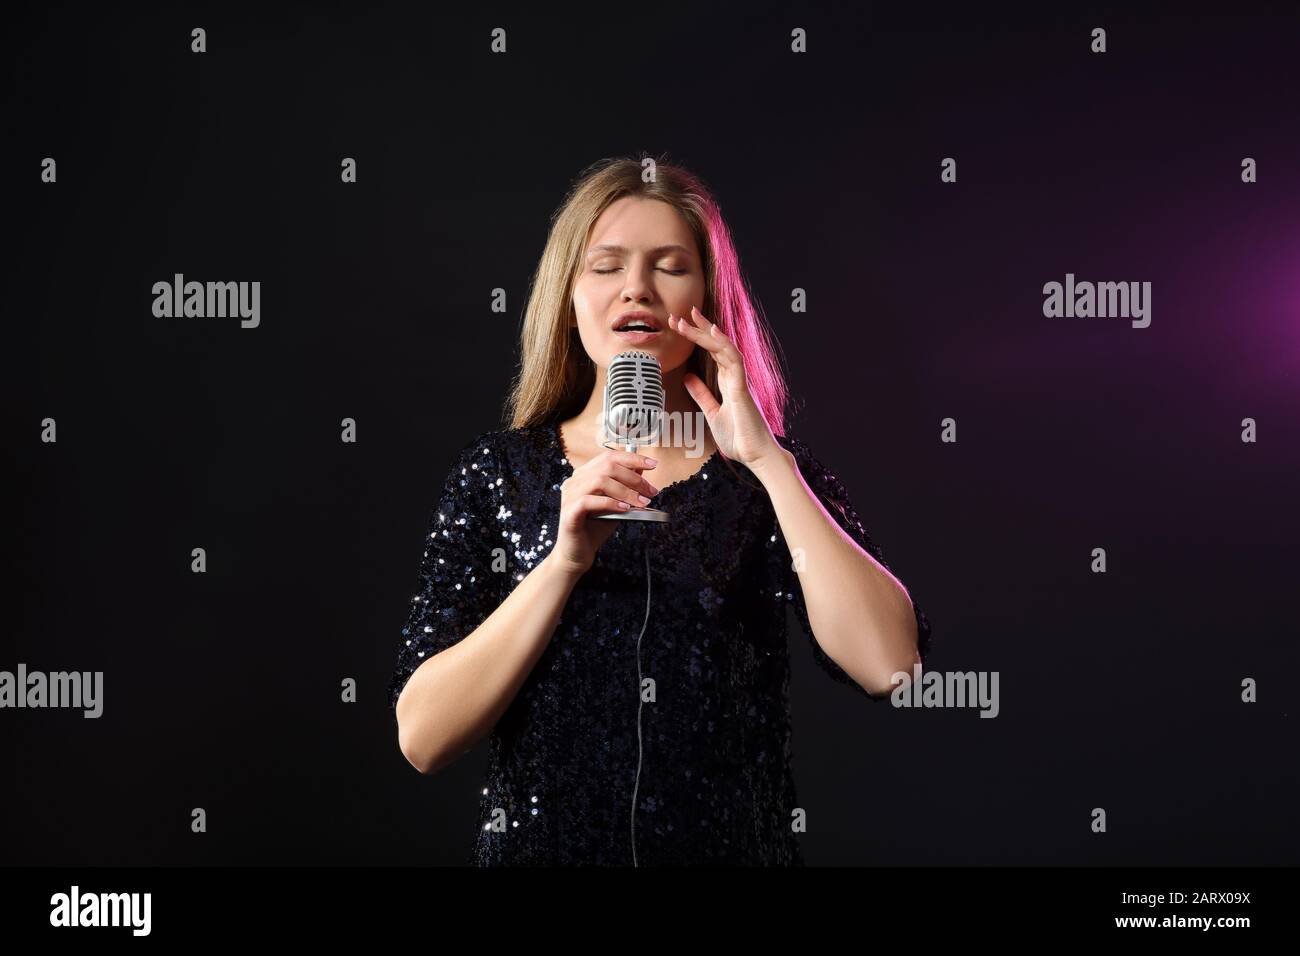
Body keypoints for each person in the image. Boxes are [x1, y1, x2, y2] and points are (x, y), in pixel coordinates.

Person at [387, 155, 932, 865]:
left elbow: (891, 667)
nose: (636, 289)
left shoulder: (763, 479)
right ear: (568, 294)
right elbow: (423, 738)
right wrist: (564, 563)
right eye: (606, 266)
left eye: (670, 266)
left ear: (708, 295)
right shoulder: (499, 475)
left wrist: (768, 461)